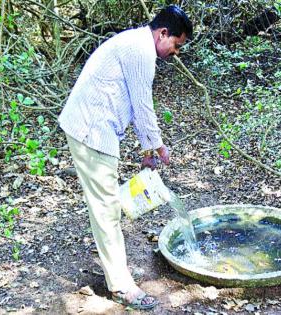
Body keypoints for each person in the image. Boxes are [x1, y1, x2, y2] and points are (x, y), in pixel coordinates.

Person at [58, 5, 193, 310]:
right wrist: (157, 146)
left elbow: (132, 102)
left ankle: (115, 270)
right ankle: (120, 286)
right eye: (176, 44)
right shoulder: (141, 51)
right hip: (91, 129)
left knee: (106, 204)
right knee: (106, 208)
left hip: (91, 125)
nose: (175, 52)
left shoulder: (135, 43)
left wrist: (147, 151)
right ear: (163, 33)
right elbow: (143, 104)